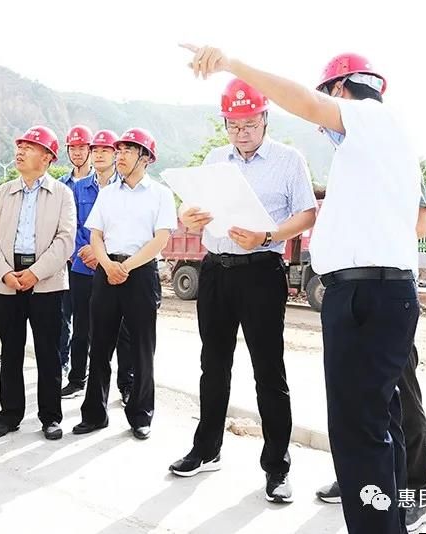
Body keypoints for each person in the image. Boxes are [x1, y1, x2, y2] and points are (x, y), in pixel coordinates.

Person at [180, 45, 421, 533]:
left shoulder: (369, 119)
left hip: (364, 294)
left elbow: (308, 106)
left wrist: (231, 63)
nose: (320, 124)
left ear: (341, 90)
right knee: (377, 424)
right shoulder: (378, 150)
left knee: (357, 432)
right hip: (377, 291)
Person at [169, 79, 317, 505]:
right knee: (213, 365)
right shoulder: (216, 159)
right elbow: (191, 209)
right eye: (233, 125)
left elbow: (307, 214)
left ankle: (277, 467)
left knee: (268, 371)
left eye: (250, 124)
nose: (242, 133)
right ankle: (206, 449)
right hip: (216, 270)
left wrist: (266, 235)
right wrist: (189, 217)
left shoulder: (289, 160)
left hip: (261, 272)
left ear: (265, 119)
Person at [316, 189, 426, 533]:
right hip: (354, 289)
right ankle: (363, 482)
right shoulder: (350, 179)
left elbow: (423, 225)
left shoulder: (393, 169)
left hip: (388, 291)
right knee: (361, 406)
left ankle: (415, 491)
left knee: (403, 396)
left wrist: (374, 234)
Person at [72, 128, 175, 441]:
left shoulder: (160, 194)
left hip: (140, 273)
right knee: (99, 346)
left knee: (142, 349)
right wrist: (107, 265)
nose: (120, 156)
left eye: (128, 150)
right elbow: (96, 235)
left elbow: (160, 239)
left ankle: (141, 415)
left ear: (146, 157)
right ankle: (94, 414)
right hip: (106, 271)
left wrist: (126, 267)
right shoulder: (108, 193)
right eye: (119, 150)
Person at [0, 126, 76, 441]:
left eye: (29, 147)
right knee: (10, 351)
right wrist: (5, 273)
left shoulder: (62, 194)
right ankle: (9, 415)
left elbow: (65, 240)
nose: (20, 152)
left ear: (47, 157)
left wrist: (36, 272)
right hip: (7, 280)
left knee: (49, 352)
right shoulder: (2, 193)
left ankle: (50, 417)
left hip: (46, 283)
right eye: (19, 146)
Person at [61, 129, 134, 405]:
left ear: (116, 155)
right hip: (83, 267)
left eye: (106, 150)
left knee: (123, 330)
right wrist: (84, 253)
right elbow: (72, 225)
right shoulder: (78, 188)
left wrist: (100, 252)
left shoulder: (126, 187)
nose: (100, 154)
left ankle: (127, 384)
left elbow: (126, 227)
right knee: (81, 327)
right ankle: (77, 379)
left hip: (116, 267)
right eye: (96, 150)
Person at [57, 125, 95, 374]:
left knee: (86, 319)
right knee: (62, 316)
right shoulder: (61, 184)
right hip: (63, 262)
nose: (77, 152)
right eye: (73, 148)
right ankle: (61, 362)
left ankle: (83, 367)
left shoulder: (101, 184)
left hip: (90, 261)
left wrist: (85, 252)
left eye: (82, 147)